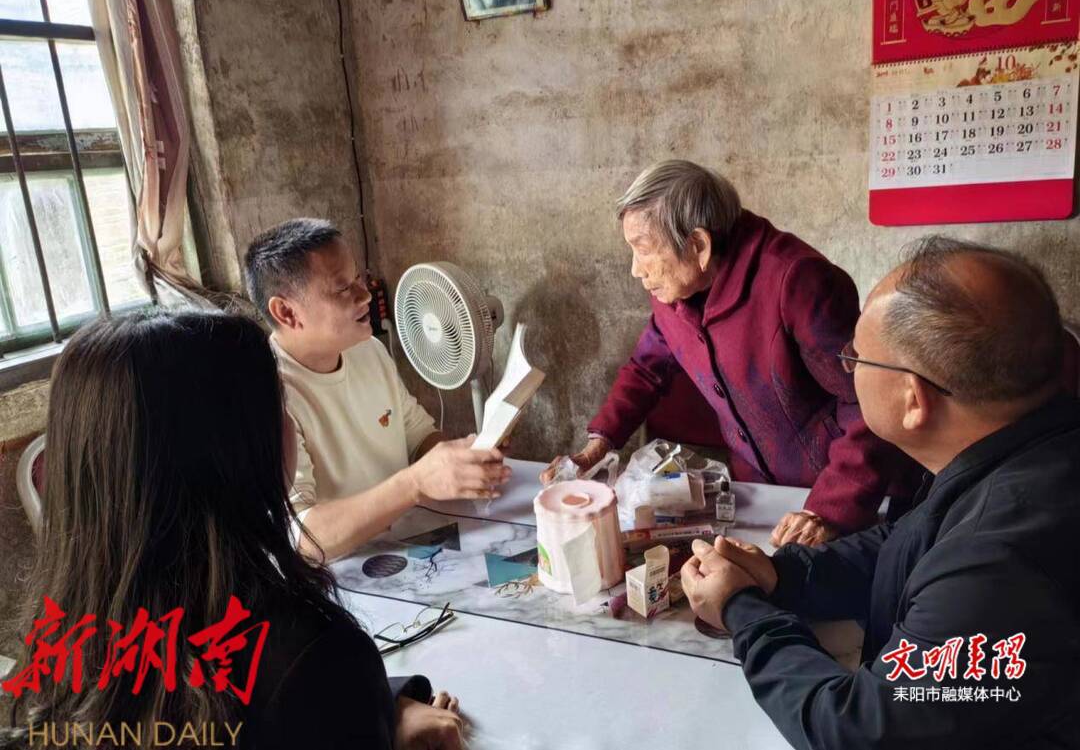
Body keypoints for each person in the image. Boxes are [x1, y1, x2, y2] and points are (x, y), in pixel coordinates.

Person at [681, 237, 1080, 749]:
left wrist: (741, 610)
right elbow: (912, 540)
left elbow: (857, 732)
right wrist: (783, 575)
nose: (848, 368)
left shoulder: (1000, 559)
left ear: (914, 399)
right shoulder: (1026, 446)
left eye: (857, 357)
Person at [0, 310, 464, 750]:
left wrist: (379, 712)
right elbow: (302, 694)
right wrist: (363, 713)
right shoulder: (315, 653)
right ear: (233, 451)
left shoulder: (62, 641)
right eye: (279, 405)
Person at [545, 160, 917, 546]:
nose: (635, 270)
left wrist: (829, 510)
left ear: (699, 246)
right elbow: (646, 369)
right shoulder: (677, 290)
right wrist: (598, 445)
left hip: (843, 493)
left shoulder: (797, 281)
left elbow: (868, 399)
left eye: (643, 251)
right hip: (759, 492)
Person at [243, 219, 509, 561]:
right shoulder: (267, 396)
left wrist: (462, 460)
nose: (365, 295)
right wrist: (415, 484)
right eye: (343, 288)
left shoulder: (368, 351)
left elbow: (417, 436)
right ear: (287, 312)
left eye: (359, 277)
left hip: (409, 542)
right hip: (342, 572)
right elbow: (303, 537)